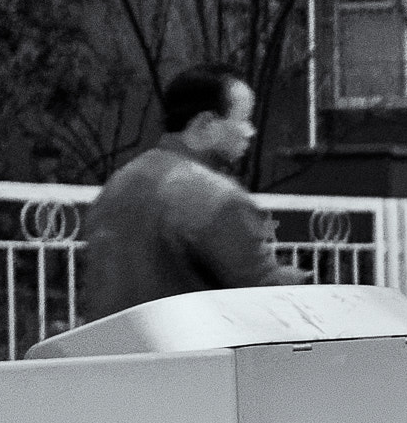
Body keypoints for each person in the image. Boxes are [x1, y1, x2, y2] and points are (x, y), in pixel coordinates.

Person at [82, 63, 304, 320]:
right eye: (243, 119)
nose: (250, 132)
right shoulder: (215, 197)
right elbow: (265, 289)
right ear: (206, 123)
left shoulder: (118, 184)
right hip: (187, 352)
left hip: (111, 351)